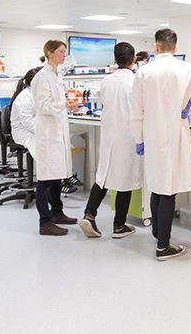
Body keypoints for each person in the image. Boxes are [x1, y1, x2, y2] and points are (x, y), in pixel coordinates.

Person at [130, 29, 191, 261]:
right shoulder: (188, 69)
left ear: (156, 46)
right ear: (175, 48)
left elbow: (136, 111)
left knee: (157, 185)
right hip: (175, 136)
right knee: (168, 188)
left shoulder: (143, 72)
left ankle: (158, 234)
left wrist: (138, 138)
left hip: (152, 135)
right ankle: (163, 246)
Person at [79, 42, 141, 239]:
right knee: (125, 179)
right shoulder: (136, 81)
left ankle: (89, 214)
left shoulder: (106, 81)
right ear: (134, 60)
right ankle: (119, 226)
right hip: (128, 136)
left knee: (103, 175)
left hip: (109, 134)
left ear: (114, 60)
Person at [32, 40, 80, 236]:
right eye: (61, 52)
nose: (64, 55)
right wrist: (63, 106)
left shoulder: (56, 74)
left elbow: (57, 103)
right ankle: (45, 223)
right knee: (45, 179)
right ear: (50, 53)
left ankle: (57, 213)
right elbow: (42, 107)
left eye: (64, 52)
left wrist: (67, 106)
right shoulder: (42, 77)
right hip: (48, 135)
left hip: (57, 131)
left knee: (56, 177)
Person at [10, 66, 41, 159]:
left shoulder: (36, 94)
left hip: (33, 129)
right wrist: (43, 132)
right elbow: (28, 123)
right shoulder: (24, 98)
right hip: (23, 132)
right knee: (46, 143)